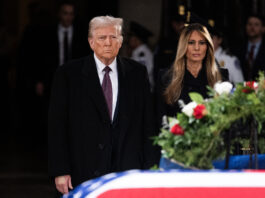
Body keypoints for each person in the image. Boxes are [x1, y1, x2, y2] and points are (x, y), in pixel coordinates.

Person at [48, 15, 159, 196]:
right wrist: (60, 170)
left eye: (113, 37)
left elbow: (147, 125)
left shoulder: (137, 73)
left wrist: (150, 169)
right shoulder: (68, 74)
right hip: (82, 170)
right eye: (102, 38)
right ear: (91, 42)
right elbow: (57, 127)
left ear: (121, 41)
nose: (108, 43)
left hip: (127, 171)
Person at [155, 23, 228, 130]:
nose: (197, 48)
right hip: (176, 142)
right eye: (191, 43)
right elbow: (160, 119)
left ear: (207, 47)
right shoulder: (166, 77)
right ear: (183, 46)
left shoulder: (221, 76)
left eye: (202, 43)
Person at [236, 14, 265, 81]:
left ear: (263, 29)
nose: (252, 27)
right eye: (249, 24)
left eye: (256, 24)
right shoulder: (238, 47)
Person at [128, 21, 155, 90]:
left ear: (137, 39)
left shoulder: (143, 53)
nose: (129, 39)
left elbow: (141, 74)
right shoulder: (137, 52)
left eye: (131, 36)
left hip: (142, 90)